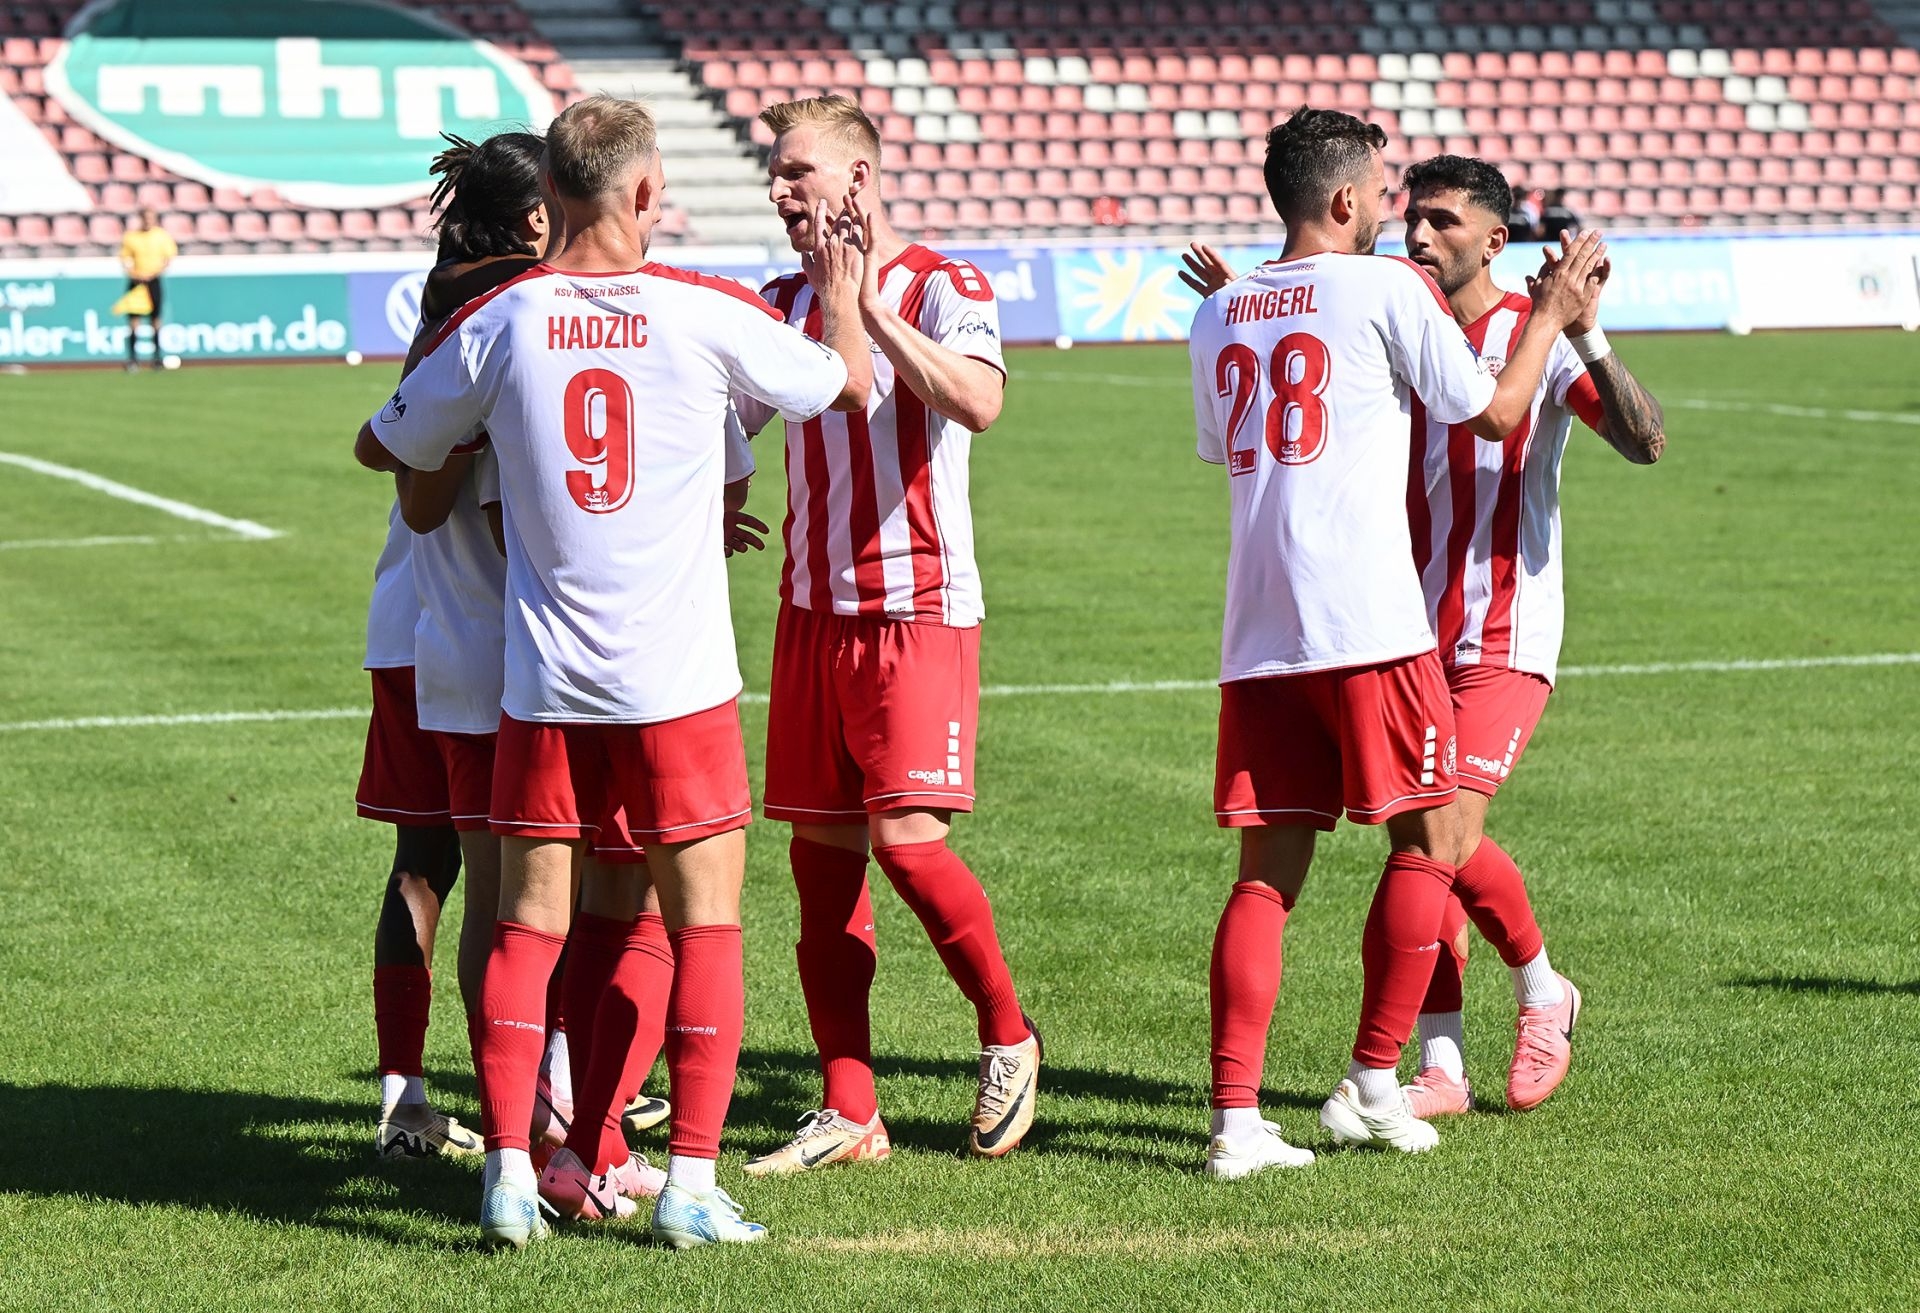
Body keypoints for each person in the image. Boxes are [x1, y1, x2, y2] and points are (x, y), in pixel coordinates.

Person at [355, 94, 871, 1249]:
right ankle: (685, 1182)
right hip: (675, 684)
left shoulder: (499, 319)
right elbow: (847, 384)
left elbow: (390, 445)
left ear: (550, 197)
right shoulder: (704, 308)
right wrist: (840, 299)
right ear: (646, 193)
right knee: (703, 925)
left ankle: (507, 1173)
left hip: (541, 682)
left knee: (523, 924)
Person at [1182, 106, 1603, 1177]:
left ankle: (1236, 1125)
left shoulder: (1220, 310)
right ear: (1342, 199)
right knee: (1426, 845)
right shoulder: (1385, 288)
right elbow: (1495, 413)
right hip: (1371, 620)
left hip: (1258, 632)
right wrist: (1552, 314)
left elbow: (1229, 443)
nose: (1394, 213)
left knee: (1264, 881)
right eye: (1380, 189)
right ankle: (1378, 1081)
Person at [731, 94, 1040, 1176]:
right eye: (776, 173)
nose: (779, 190)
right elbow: (727, 421)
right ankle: (850, 1107)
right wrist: (718, 486)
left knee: (908, 844)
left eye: (797, 172)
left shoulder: (946, 284)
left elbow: (980, 402)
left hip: (915, 606)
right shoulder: (778, 302)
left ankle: (1008, 1035)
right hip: (810, 612)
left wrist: (867, 309)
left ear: (857, 181)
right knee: (821, 867)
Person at [1390, 154, 1664, 1117]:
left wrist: (1584, 331)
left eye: (1442, 220)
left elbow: (1645, 441)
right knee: (1417, 844)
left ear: (1496, 240)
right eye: (1413, 217)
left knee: (1445, 831)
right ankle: (1443, 1064)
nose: (1419, 235)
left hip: (1506, 629)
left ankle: (1544, 991)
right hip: (1404, 626)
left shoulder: (1534, 333)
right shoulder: (1402, 323)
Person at [117, 208, 175, 371]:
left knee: (155, 319)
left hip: (153, 281)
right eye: (146, 218)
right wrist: (134, 273)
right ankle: (133, 359)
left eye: (151, 218)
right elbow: (125, 259)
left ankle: (156, 358)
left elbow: (167, 259)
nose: (148, 221)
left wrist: (153, 273)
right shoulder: (131, 237)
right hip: (137, 282)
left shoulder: (161, 236)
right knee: (134, 321)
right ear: (141, 219)